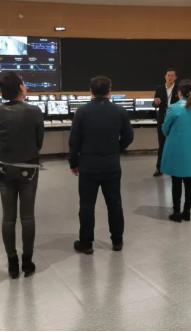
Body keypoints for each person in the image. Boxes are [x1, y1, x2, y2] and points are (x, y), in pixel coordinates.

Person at [69, 76, 134, 255]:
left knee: (87, 205)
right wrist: (116, 149)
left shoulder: (81, 112)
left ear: (90, 91)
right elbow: (129, 136)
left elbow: (74, 141)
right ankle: (117, 241)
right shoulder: (120, 111)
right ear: (109, 91)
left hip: (88, 165)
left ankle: (86, 243)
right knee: (114, 203)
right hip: (111, 164)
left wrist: (74, 163)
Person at [0, 72, 45, 279]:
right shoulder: (34, 111)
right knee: (27, 216)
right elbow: (39, 142)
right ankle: (27, 262)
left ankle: (12, 263)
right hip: (28, 167)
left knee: (8, 217)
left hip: (4, 167)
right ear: (21, 88)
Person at [161, 80, 191, 223]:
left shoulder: (173, 108)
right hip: (190, 148)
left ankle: (176, 212)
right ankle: (187, 211)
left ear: (179, 92)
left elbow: (165, 128)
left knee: (176, 181)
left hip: (176, 148)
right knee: (189, 180)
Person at [153, 69, 180, 177]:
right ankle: (159, 168)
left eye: (172, 75)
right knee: (162, 145)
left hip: (175, 120)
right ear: (165, 76)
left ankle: (176, 167)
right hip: (162, 120)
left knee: (175, 145)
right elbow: (154, 104)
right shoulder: (159, 89)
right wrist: (156, 103)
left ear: (175, 77)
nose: (170, 77)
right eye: (168, 75)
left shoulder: (178, 89)